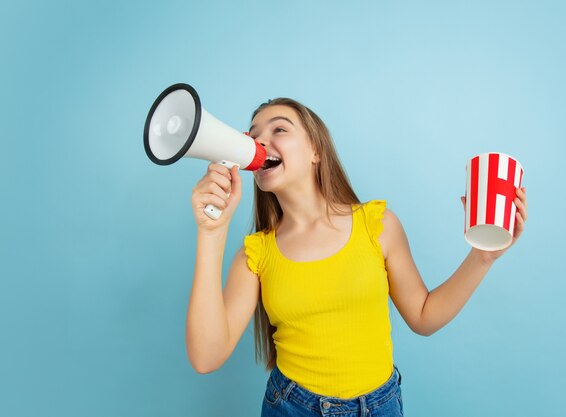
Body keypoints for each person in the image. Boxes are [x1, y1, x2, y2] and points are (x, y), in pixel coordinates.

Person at [185, 98, 528, 417]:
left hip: (380, 406)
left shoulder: (377, 225)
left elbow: (424, 316)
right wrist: (211, 233)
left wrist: (482, 258)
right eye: (253, 135)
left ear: (316, 150)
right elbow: (206, 357)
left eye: (279, 129)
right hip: (292, 406)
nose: (260, 143)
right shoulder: (257, 253)